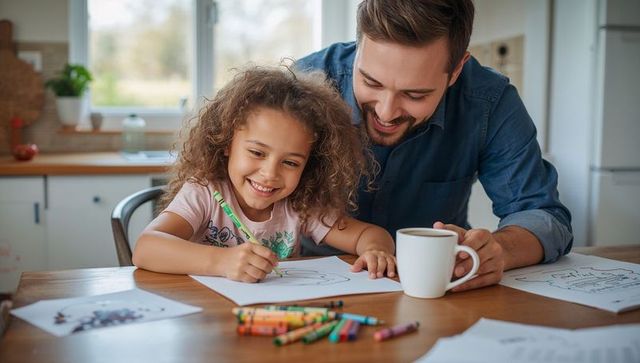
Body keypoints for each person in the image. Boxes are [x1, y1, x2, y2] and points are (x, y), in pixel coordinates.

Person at [296, 0, 573, 291]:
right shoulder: (303, 86)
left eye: (414, 94)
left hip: (440, 291)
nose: (386, 112)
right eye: (371, 82)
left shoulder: (489, 103)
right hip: (312, 283)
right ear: (360, 44)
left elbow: (545, 216)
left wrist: (499, 250)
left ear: (455, 70)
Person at [132, 65, 396, 282]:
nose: (270, 174)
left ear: (309, 165)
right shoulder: (204, 192)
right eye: (257, 153)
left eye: (290, 163)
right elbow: (146, 248)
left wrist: (376, 251)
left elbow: (369, 235)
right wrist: (222, 262)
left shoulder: (300, 205)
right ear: (226, 143)